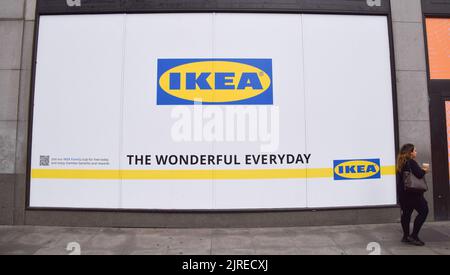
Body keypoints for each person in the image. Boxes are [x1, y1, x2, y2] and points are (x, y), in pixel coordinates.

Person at [396, 144, 430, 246]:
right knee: (424, 211)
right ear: (410, 152)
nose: (416, 152)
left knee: (406, 214)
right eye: (414, 151)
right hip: (413, 194)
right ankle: (414, 236)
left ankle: (406, 236)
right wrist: (424, 170)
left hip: (403, 194)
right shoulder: (411, 162)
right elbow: (419, 174)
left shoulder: (400, 163)